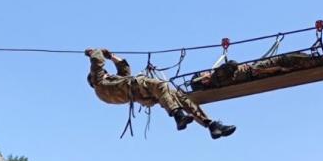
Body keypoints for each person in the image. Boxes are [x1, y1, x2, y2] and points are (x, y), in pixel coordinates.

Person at [86, 48, 236, 139]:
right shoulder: (99, 84)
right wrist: (95, 52)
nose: (107, 74)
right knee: (162, 85)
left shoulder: (108, 87)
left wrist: (111, 56)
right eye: (105, 73)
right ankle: (178, 116)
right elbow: (97, 63)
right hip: (137, 87)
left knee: (178, 96)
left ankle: (210, 125)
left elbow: (124, 70)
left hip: (142, 96)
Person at [191, 40, 323, 90]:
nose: (205, 72)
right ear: (203, 80)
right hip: (257, 70)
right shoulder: (216, 77)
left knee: (296, 62)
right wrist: (214, 72)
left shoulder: (217, 81)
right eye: (203, 74)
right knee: (290, 60)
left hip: (256, 71)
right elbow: (232, 64)